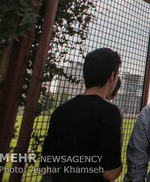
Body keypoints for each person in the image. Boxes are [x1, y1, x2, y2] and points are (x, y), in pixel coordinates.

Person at [41, 48, 122, 181]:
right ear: (112, 76)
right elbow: (111, 173)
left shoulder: (60, 111)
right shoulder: (110, 112)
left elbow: (46, 167)